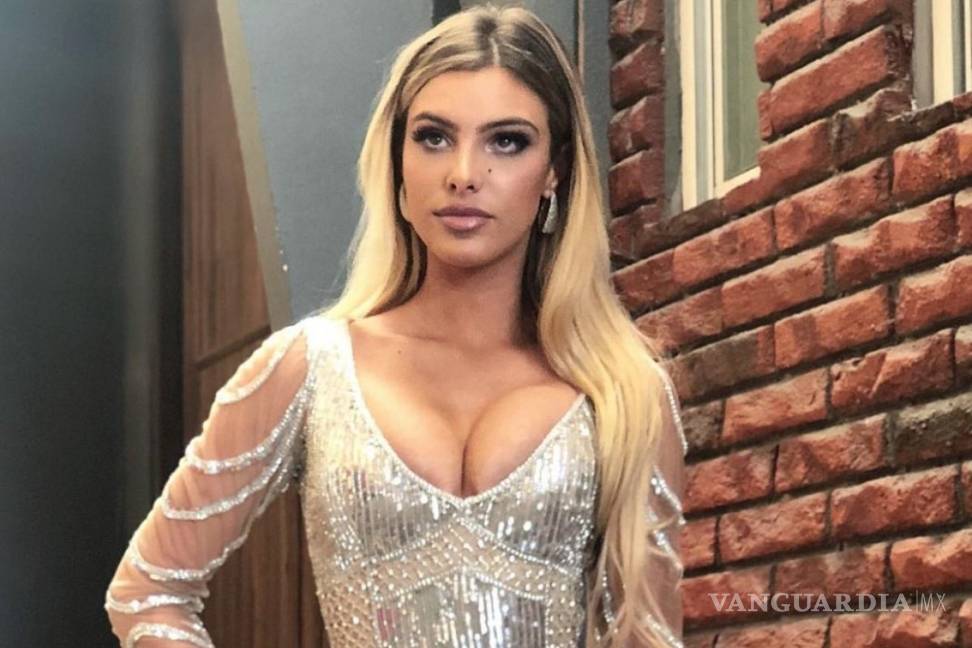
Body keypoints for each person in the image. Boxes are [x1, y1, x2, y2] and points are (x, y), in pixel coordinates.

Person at [104, 4, 687, 646]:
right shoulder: (311, 367)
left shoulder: (626, 393)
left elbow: (648, 636)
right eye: (434, 137)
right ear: (398, 163)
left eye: (507, 141)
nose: (464, 175)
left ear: (555, 171)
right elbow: (147, 591)